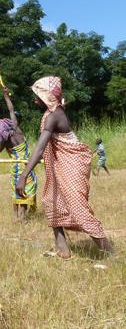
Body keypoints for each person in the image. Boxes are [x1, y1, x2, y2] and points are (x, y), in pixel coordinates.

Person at [16, 76, 113, 259]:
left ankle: (110, 253)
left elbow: (39, 148)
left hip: (72, 164)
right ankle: (63, 249)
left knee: (78, 208)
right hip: (61, 164)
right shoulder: (53, 112)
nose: (34, 98)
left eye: (37, 94)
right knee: (52, 202)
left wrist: (24, 175)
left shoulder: (53, 116)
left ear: (47, 96)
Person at [0, 87, 37, 222]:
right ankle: (22, 217)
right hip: (26, 166)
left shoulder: (4, 142)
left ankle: (15, 216)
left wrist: (2, 143)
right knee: (26, 189)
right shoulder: (17, 130)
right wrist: (6, 96)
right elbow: (11, 110)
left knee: (16, 189)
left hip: (15, 168)